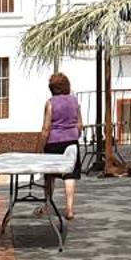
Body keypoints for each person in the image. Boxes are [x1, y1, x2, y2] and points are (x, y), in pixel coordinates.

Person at [40, 71, 82, 221]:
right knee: (69, 175)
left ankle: (47, 205)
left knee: (49, 175)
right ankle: (69, 209)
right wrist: (75, 135)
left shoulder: (50, 103)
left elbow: (46, 128)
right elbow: (80, 124)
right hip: (71, 141)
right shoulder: (75, 102)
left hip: (53, 142)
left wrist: (41, 146)